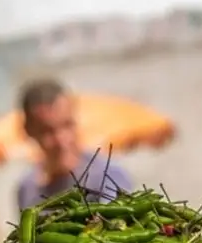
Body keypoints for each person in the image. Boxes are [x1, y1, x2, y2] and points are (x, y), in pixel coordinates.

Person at [15, 78, 133, 211]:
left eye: (67, 125)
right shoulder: (27, 190)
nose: (62, 140)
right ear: (28, 131)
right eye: (48, 132)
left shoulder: (108, 176)